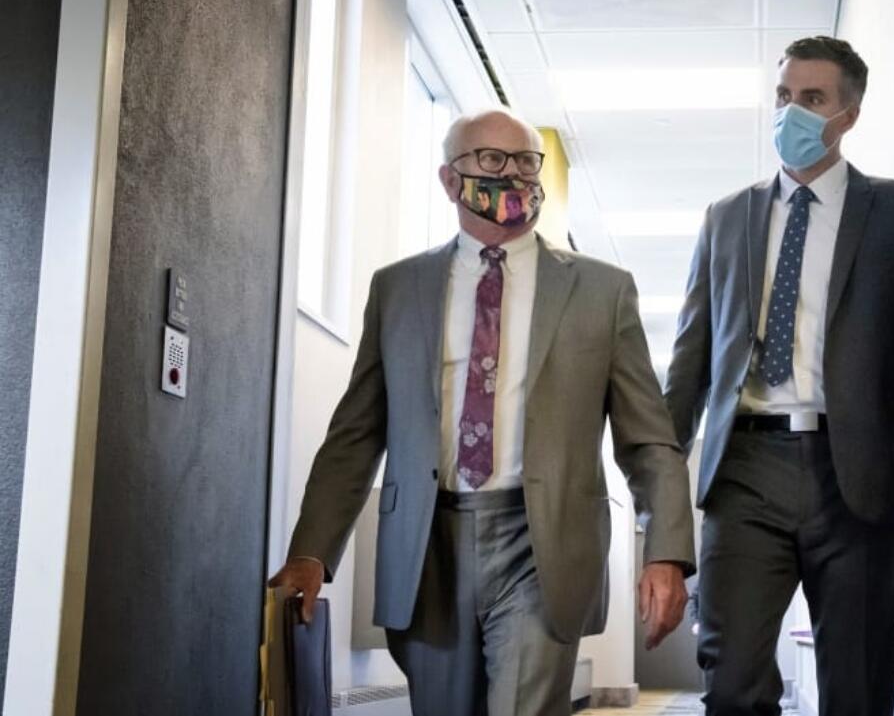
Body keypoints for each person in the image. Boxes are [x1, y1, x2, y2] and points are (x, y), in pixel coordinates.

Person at [270, 109, 695, 715]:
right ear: (450, 181)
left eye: (525, 161)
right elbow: (356, 433)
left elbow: (649, 437)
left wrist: (666, 549)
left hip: (541, 541)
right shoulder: (398, 289)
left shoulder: (602, 291)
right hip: (427, 541)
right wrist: (312, 550)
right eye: (492, 161)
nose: (514, 176)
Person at [665, 36, 894, 716]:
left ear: (849, 114)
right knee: (734, 682)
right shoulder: (725, 219)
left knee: (857, 688)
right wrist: (658, 484)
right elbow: (688, 365)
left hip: (857, 470)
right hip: (743, 468)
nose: (792, 113)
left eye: (812, 99)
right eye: (783, 96)